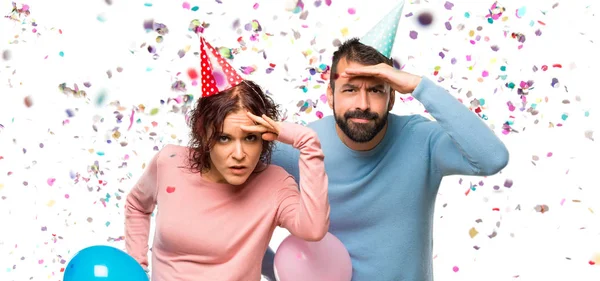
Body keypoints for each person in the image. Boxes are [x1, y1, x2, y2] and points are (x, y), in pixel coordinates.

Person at [260, 36, 509, 281]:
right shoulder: (300, 148)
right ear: (331, 95)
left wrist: (418, 86)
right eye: (350, 89)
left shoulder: (422, 140)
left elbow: (492, 158)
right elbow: (229, 200)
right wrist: (274, 269)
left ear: (392, 97)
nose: (363, 104)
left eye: (376, 90)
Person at [125, 37, 330, 281]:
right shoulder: (169, 162)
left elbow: (313, 229)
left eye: (250, 138)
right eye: (224, 138)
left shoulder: (275, 185)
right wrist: (136, 269)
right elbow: (137, 205)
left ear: (265, 137)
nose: (239, 154)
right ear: (203, 132)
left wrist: (306, 142)